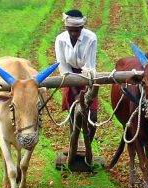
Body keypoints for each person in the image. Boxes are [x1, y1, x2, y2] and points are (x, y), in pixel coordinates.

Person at [54, 9, 98, 167]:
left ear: (82, 28)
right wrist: (73, 90)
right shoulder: (60, 39)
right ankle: (73, 146)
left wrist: (84, 93)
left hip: (87, 76)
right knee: (73, 113)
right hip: (68, 76)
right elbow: (63, 67)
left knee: (92, 116)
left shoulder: (91, 37)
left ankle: (87, 146)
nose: (74, 33)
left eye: (77, 30)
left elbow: (90, 66)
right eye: (70, 30)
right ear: (66, 28)